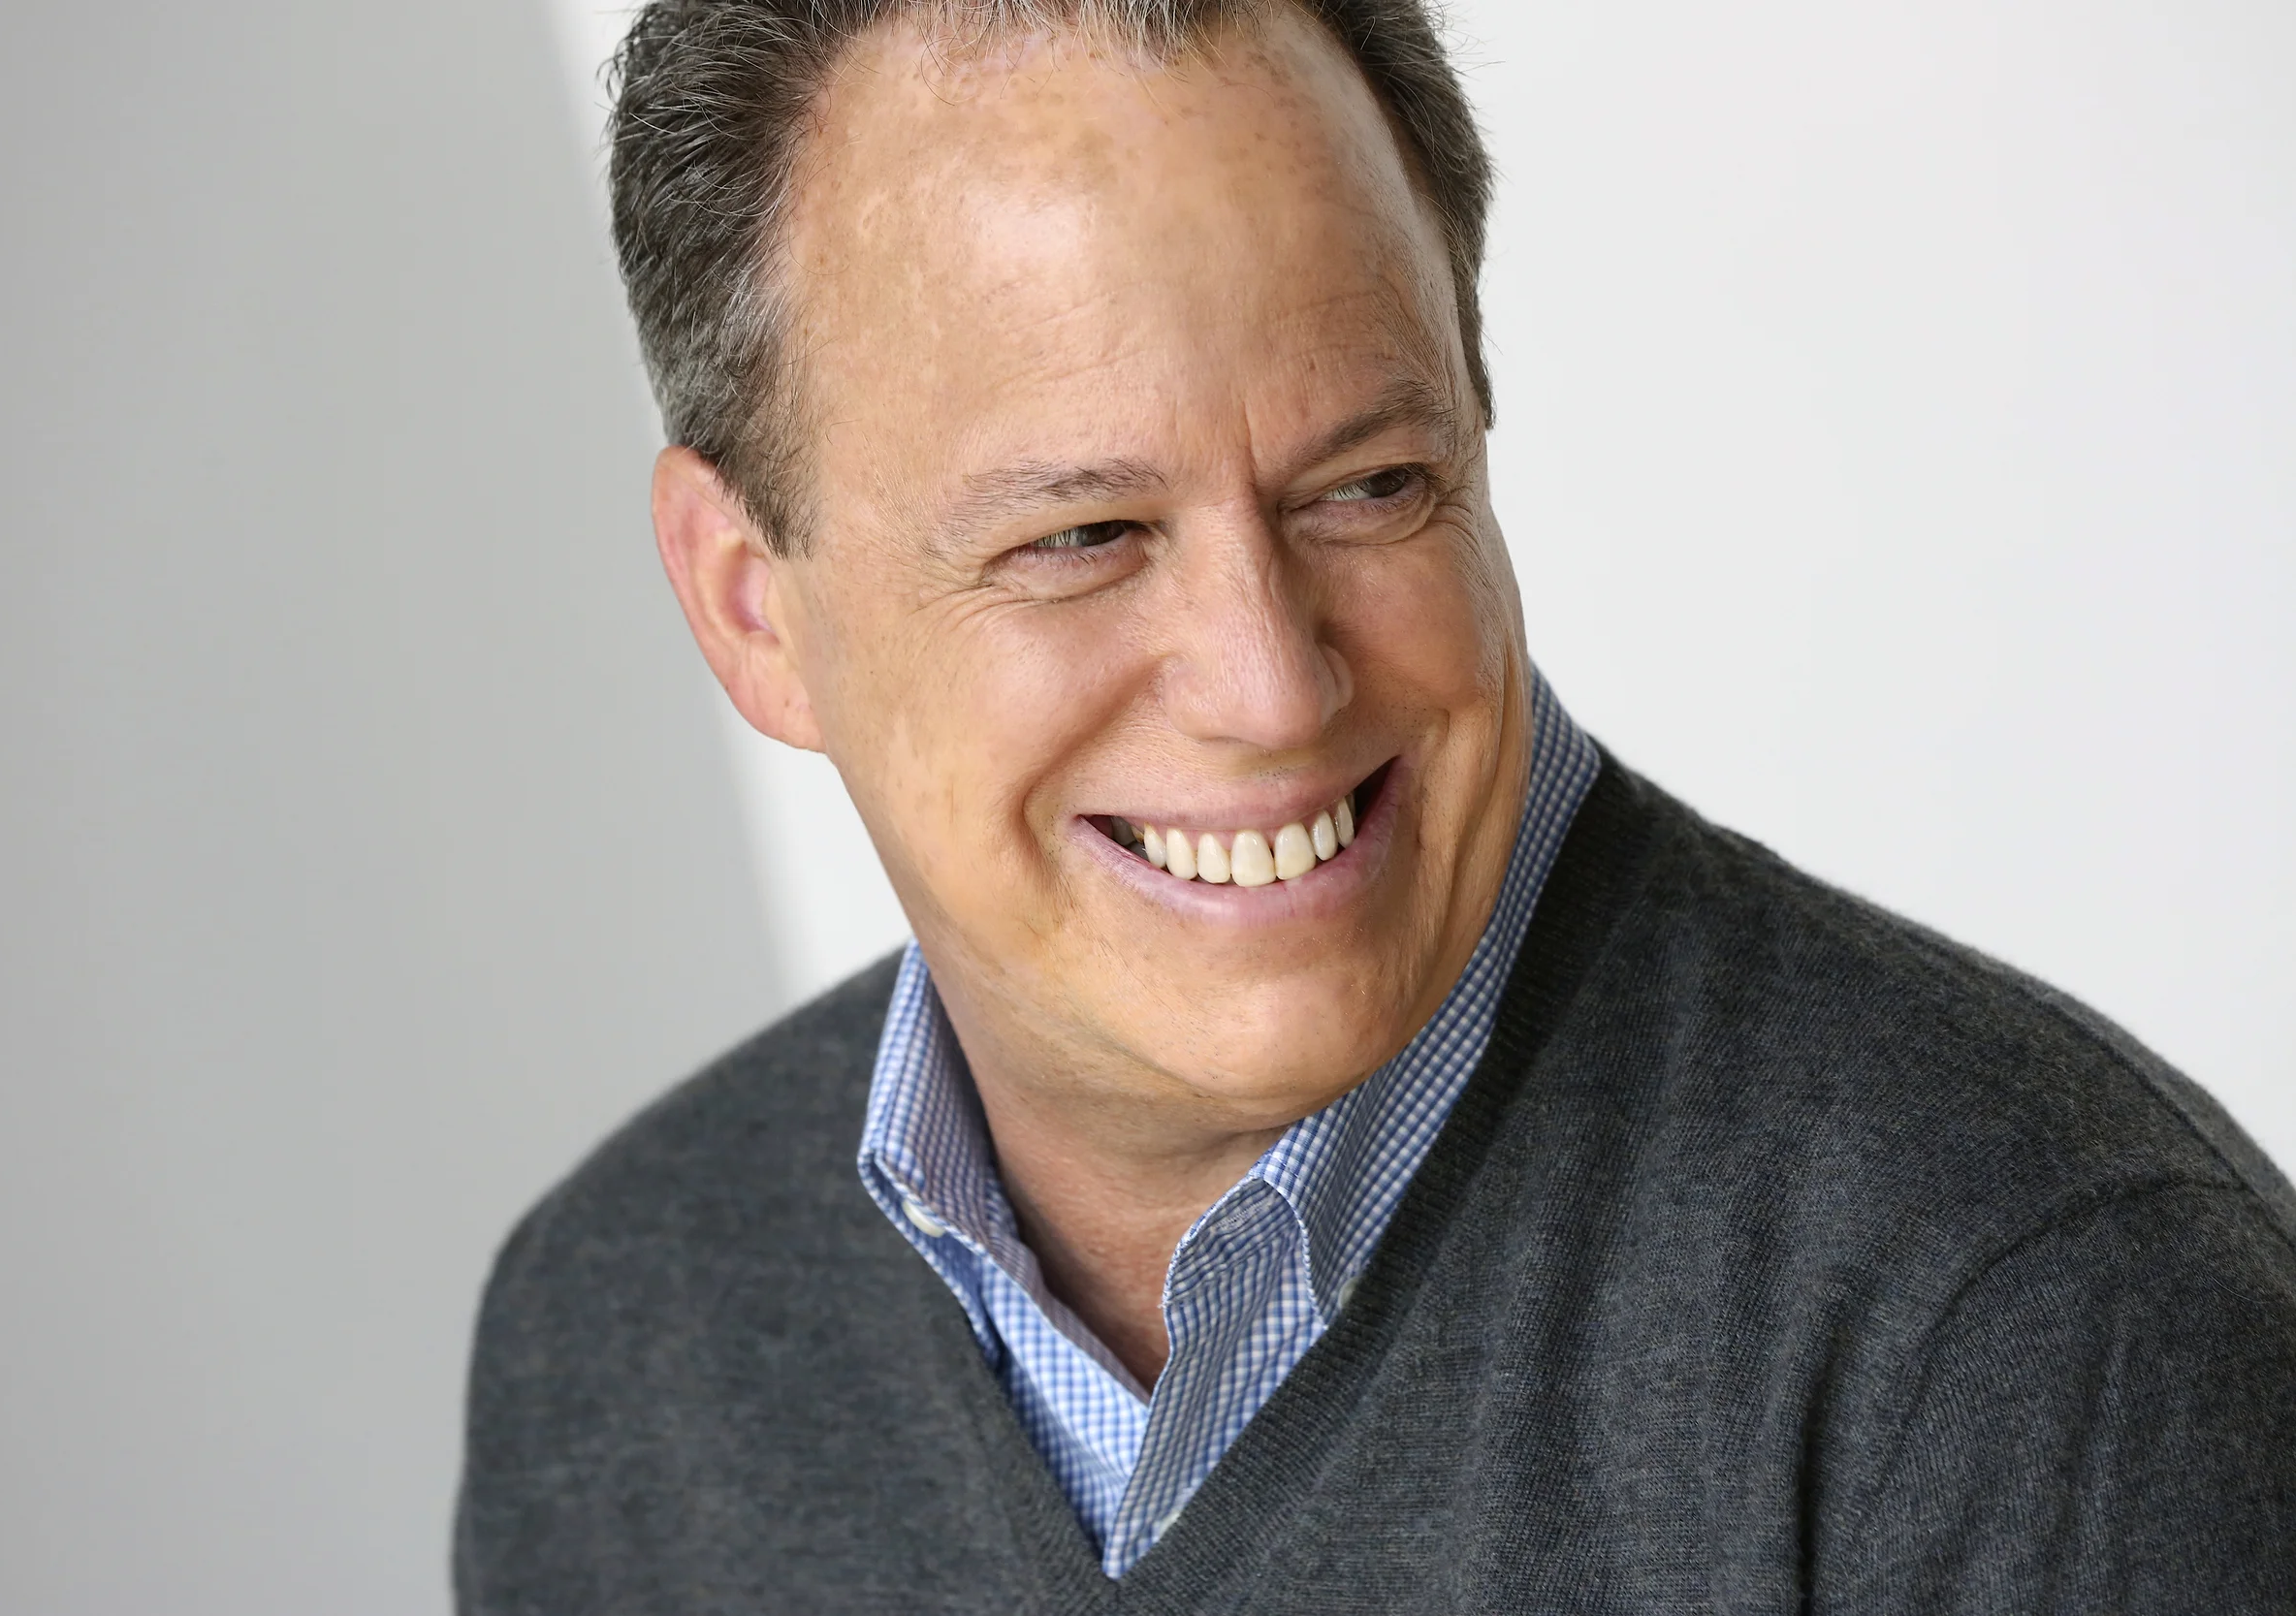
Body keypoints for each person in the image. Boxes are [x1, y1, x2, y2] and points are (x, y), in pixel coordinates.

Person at [454, 0, 2296, 1607]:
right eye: (1084, 535)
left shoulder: (2044, 1323)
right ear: (751, 606)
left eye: (1370, 486)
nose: (1271, 683)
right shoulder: (613, 1351)